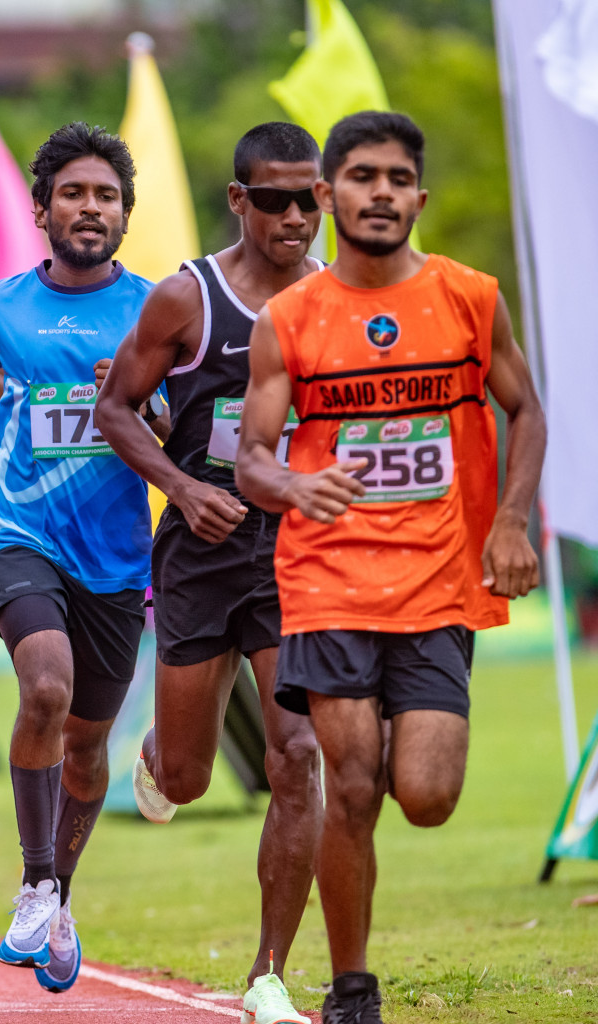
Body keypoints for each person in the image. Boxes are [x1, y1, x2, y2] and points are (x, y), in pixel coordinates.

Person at [235, 111, 545, 1024]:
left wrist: (513, 522)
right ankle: (352, 982)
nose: (380, 191)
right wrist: (295, 484)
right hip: (327, 580)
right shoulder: (290, 318)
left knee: (428, 796)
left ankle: (354, 961)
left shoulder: (468, 297)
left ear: (419, 195)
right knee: (354, 781)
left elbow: (524, 409)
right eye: (361, 176)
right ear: (329, 194)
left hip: (441, 578)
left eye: (397, 177)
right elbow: (252, 456)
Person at [94, 121, 326, 1024]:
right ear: (240, 200)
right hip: (198, 555)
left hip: (293, 556)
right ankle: (157, 756)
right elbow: (116, 410)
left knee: (296, 754)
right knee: (189, 779)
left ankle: (268, 974)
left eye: (311, 198)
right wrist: (184, 488)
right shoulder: (185, 300)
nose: (297, 215)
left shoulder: (331, 301)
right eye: (276, 199)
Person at [0, 122, 162, 994]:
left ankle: (57, 893)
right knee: (44, 687)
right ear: (41, 208)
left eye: (106, 195)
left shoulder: (160, 309)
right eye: (73, 193)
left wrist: (149, 425)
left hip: (116, 556)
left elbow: (179, 426)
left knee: (87, 749)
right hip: (19, 533)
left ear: (124, 213)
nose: (90, 208)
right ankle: (35, 878)